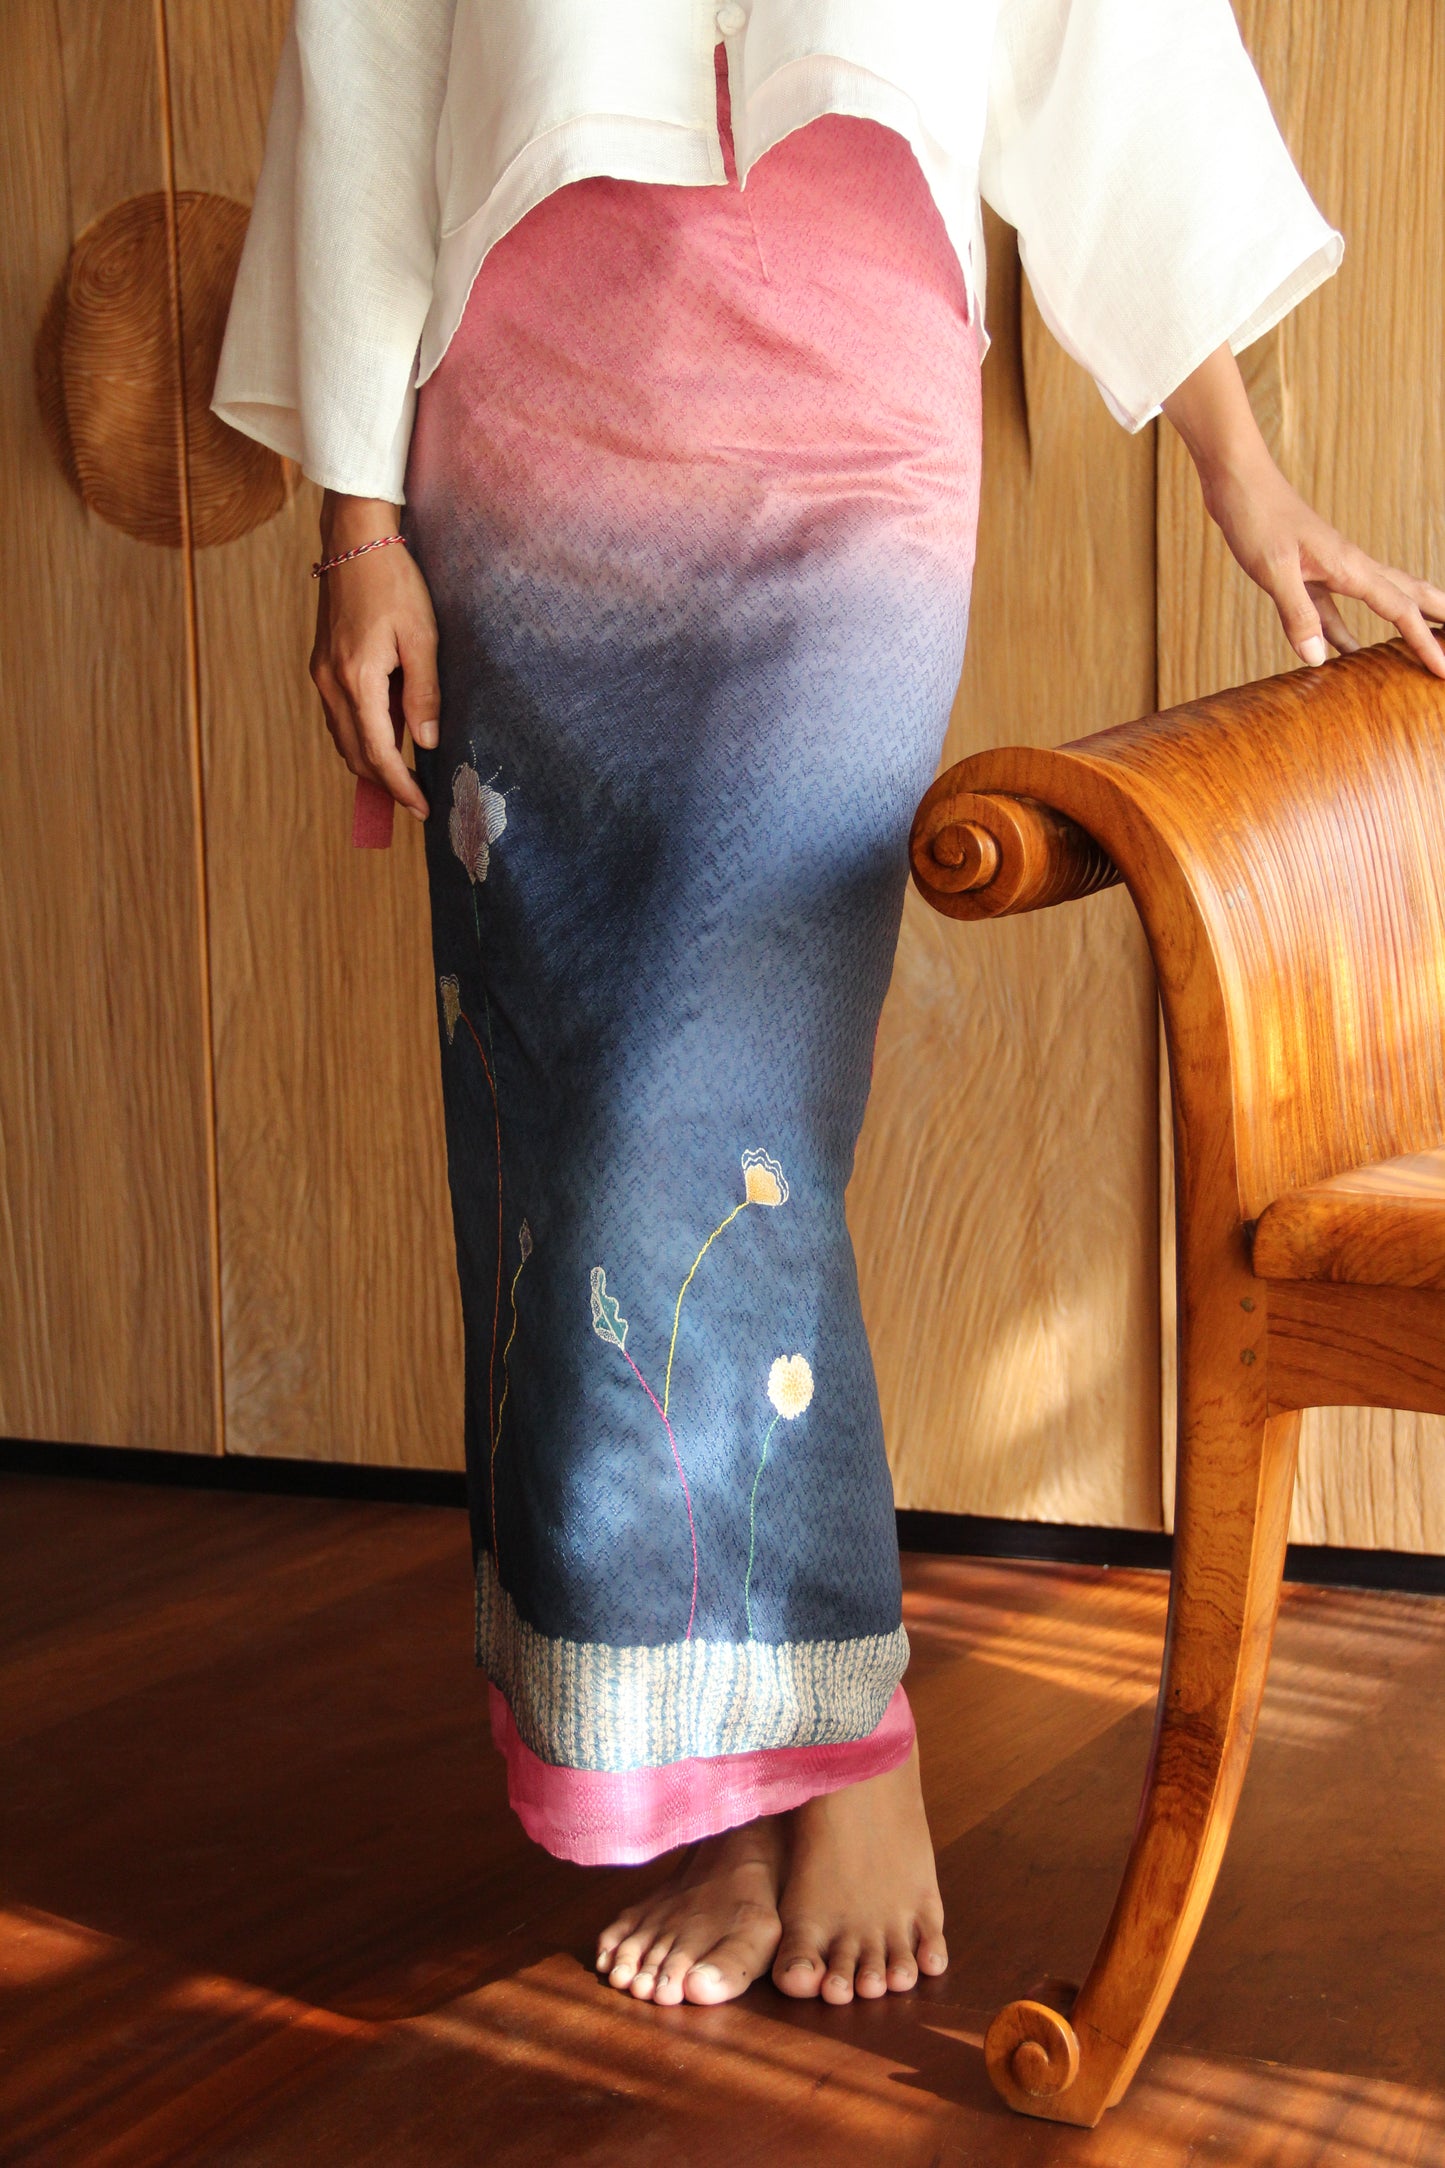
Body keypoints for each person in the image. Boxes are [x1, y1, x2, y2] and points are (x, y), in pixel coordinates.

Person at [214, 0, 1445, 2013]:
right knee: (580, 1136)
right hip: (526, 429)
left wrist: (1247, 473)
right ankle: (727, 1786)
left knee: (709, 1104)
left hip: (850, 437)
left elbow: (1103, 45)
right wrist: (357, 529)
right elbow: (367, 66)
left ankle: (849, 1745)